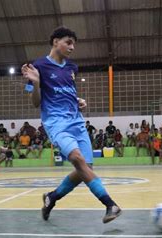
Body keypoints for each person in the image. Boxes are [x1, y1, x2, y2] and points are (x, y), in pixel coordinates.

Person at [21, 26, 121, 223]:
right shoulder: (38, 66)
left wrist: (78, 100)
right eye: (68, 42)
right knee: (77, 158)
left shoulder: (72, 68)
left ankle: (52, 197)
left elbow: (66, 92)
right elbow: (34, 102)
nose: (72, 47)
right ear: (55, 41)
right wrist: (37, 84)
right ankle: (110, 204)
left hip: (77, 122)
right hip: (56, 123)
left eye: (73, 43)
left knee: (86, 167)